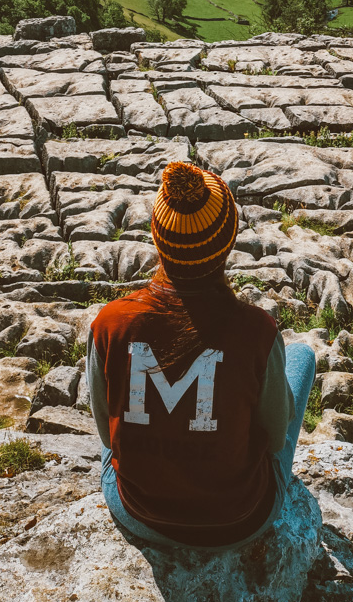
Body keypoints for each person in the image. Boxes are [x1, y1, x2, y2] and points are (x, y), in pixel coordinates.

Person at [86, 160, 316, 550]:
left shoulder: (111, 323)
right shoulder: (257, 331)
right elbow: (275, 439)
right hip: (240, 520)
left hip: (140, 513)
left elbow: (105, 433)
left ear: (158, 241)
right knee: (302, 356)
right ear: (227, 244)